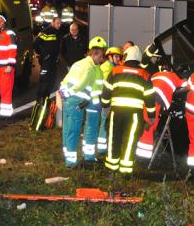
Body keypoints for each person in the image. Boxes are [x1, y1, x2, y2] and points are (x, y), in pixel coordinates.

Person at [101, 46, 155, 175]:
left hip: (116, 112)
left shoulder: (115, 71)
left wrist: (105, 106)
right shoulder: (145, 75)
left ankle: (111, 168)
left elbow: (106, 91)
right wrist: (151, 116)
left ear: (126, 56)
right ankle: (125, 171)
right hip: (135, 115)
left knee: (114, 138)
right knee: (130, 140)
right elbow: (150, 98)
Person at [59, 36, 107, 168]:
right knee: (73, 131)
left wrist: (64, 94)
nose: (101, 59)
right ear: (94, 54)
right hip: (78, 102)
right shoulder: (91, 68)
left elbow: (66, 81)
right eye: (101, 55)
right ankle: (72, 162)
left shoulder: (80, 63)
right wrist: (69, 96)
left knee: (70, 130)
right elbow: (80, 85)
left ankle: (82, 157)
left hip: (80, 102)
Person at [136, 62, 186, 160]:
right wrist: (184, 80)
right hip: (157, 100)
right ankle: (143, 155)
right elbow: (186, 86)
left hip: (145, 97)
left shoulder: (156, 74)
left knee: (145, 122)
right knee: (149, 125)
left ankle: (140, 151)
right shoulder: (174, 76)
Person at [30, 17, 62, 130]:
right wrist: (43, 55)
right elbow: (35, 44)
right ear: (52, 22)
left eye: (60, 24)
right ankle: (39, 104)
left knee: (50, 83)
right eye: (57, 23)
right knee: (43, 83)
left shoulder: (57, 33)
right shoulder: (46, 32)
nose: (59, 25)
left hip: (53, 63)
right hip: (46, 63)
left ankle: (45, 105)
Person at [97, 46, 123, 155]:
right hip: (106, 100)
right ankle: (102, 148)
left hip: (109, 99)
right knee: (104, 122)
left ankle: (104, 147)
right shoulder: (107, 67)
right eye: (116, 56)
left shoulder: (112, 66)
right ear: (110, 57)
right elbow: (106, 87)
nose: (118, 59)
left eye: (119, 57)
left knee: (107, 123)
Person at [0, 13, 17, 118]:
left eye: (1, 20)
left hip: (6, 67)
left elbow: (12, 50)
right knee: (2, 89)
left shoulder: (9, 33)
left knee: (6, 90)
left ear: (4, 21)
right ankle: (3, 112)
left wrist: (10, 65)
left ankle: (6, 114)